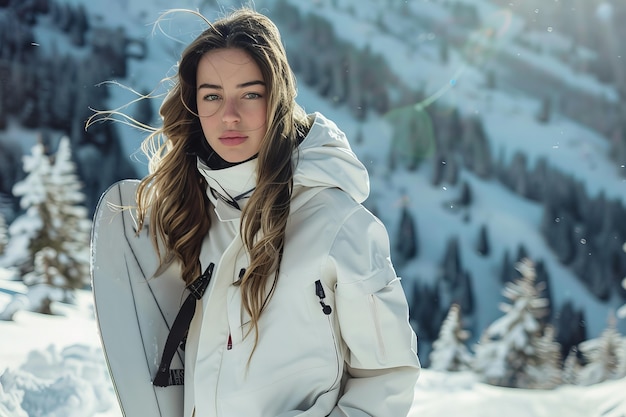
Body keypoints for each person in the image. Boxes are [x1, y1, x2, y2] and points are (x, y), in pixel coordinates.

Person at [109, 7, 419, 417]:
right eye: (212, 96)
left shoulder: (337, 224)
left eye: (250, 94)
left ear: (278, 99)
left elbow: (387, 378)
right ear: (194, 105)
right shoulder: (190, 214)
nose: (229, 115)